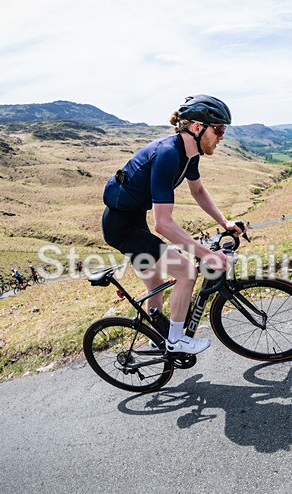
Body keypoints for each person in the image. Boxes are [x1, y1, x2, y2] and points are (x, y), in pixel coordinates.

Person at [101, 95, 239, 355]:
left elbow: (198, 191)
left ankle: (157, 337)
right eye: (219, 130)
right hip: (121, 227)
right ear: (197, 127)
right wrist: (207, 254)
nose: (221, 137)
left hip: (133, 219)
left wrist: (224, 221)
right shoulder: (167, 155)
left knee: (155, 283)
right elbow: (163, 224)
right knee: (186, 270)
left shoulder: (190, 154)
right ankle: (176, 340)